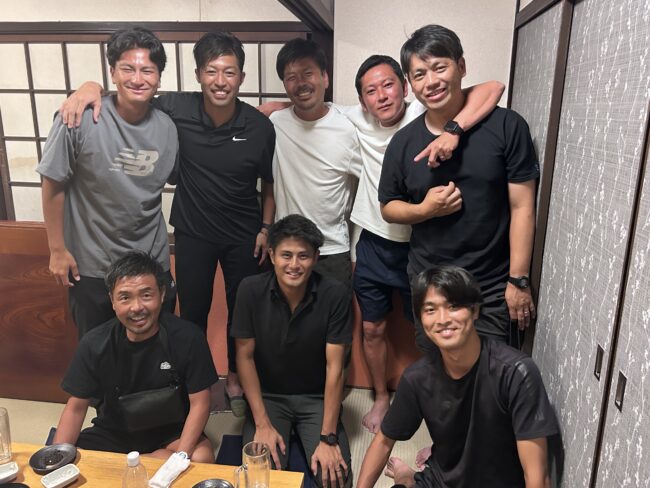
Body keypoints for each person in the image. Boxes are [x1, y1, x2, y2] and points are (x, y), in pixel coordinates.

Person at [259, 54, 504, 433]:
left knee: (434, 329)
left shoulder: (425, 112)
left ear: (405, 87)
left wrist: (454, 129)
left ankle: (443, 406)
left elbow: (493, 88)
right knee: (372, 329)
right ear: (362, 100)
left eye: (389, 85)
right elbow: (297, 105)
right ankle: (380, 398)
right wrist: (277, 104)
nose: (382, 96)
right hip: (373, 243)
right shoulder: (353, 118)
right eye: (371, 91)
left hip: (422, 244)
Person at [59, 31, 276, 414]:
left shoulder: (258, 126)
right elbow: (130, 93)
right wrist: (89, 86)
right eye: (211, 71)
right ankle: (198, 382)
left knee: (242, 312)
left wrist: (265, 228)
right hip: (193, 233)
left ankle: (236, 378)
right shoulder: (176, 108)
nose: (220, 81)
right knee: (191, 314)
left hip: (243, 234)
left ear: (241, 77)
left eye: (229, 72)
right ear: (198, 74)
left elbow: (269, 183)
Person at [379, 25, 539, 348]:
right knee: (436, 372)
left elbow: (523, 206)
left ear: (461, 66)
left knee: (493, 373)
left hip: (491, 287)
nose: (431, 82)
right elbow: (388, 206)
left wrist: (518, 279)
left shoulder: (507, 126)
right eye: (419, 74)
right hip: (431, 287)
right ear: (410, 84)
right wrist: (425, 210)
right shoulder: (403, 143)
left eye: (440, 67)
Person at [357, 265, 558, 488]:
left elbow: (537, 476)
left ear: (475, 310)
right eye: (430, 310)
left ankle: (408, 477)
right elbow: (383, 442)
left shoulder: (516, 373)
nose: (442, 319)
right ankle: (410, 479)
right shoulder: (417, 378)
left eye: (453, 306)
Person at [38, 27, 178, 338]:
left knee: (155, 349)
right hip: (92, 265)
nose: (137, 79)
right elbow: (52, 184)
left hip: (151, 262)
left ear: (159, 77)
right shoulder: (77, 117)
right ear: (112, 72)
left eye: (147, 70)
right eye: (127, 69)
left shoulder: (168, 127)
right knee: (98, 349)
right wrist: (57, 249)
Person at [53, 252, 218, 463]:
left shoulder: (188, 337)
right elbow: (76, 407)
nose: (137, 307)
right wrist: (57, 458)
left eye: (146, 295)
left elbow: (200, 403)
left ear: (162, 294)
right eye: (125, 297)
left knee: (201, 457)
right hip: (114, 432)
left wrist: (178, 460)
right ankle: (147, 461)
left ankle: (143, 462)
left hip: (170, 432)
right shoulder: (94, 343)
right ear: (113, 301)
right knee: (77, 460)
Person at [232, 215, 353, 488]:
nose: (294, 265)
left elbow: (336, 367)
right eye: (286, 255)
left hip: (316, 398)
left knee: (335, 478)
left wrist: (328, 438)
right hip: (269, 396)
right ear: (272, 255)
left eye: (303, 256)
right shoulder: (250, 290)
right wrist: (262, 423)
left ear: (316, 257)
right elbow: (244, 357)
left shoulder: (334, 294)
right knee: (261, 475)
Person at [271, 38, 362, 287]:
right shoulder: (275, 123)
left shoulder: (348, 129)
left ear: (325, 78)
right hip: (286, 249)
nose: (301, 83)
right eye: (291, 77)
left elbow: (372, 182)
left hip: (331, 249)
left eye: (308, 73)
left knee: (334, 313)